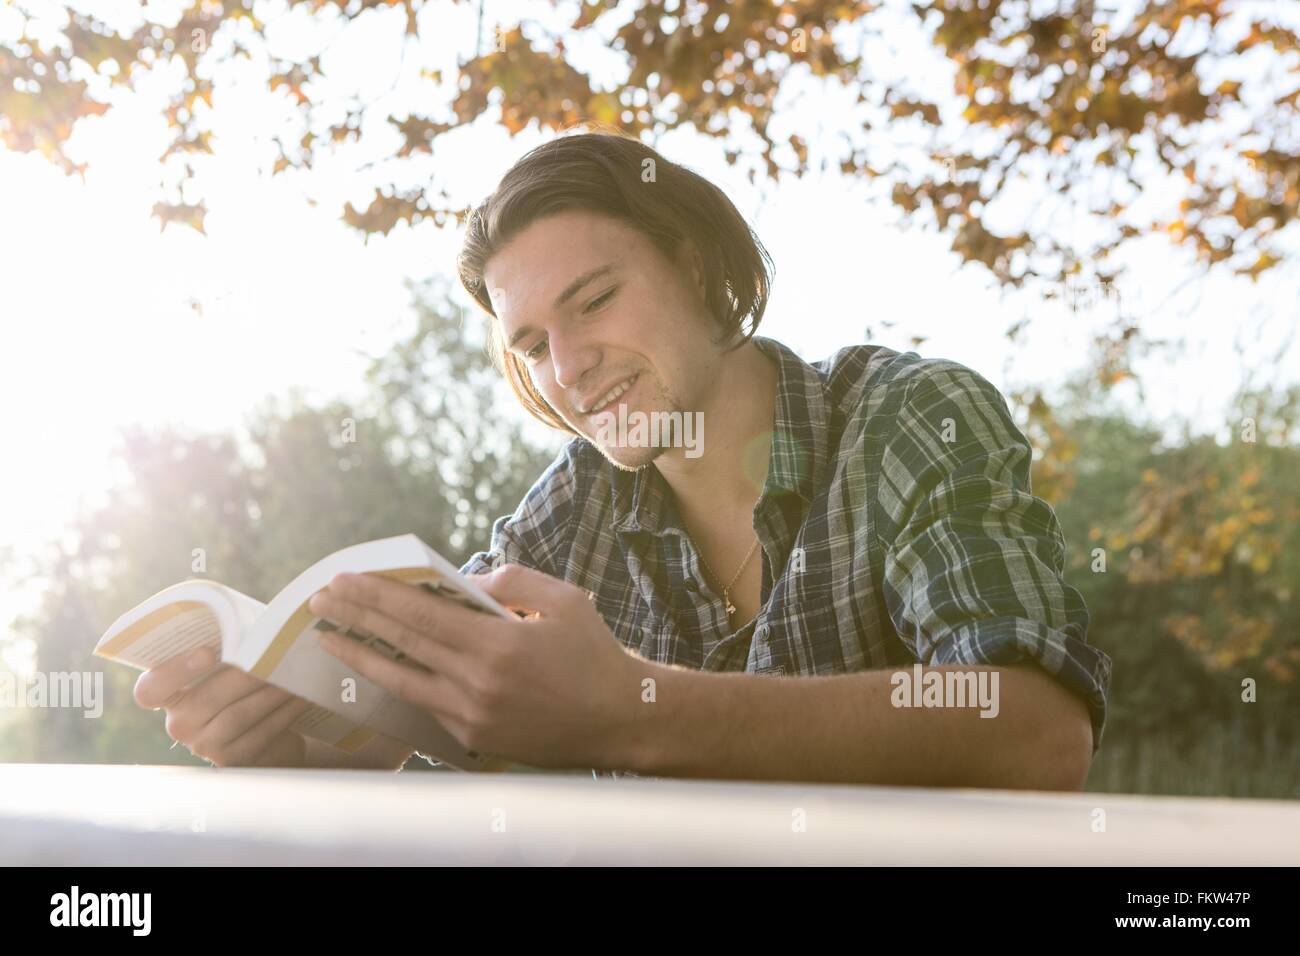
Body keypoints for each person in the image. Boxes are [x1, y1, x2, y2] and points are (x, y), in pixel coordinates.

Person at [134, 130, 1111, 788]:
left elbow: (1032, 724)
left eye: (594, 300)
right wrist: (292, 745)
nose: (568, 367)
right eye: (530, 344)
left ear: (690, 263)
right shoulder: (569, 509)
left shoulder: (906, 416)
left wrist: (629, 709)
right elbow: (424, 724)